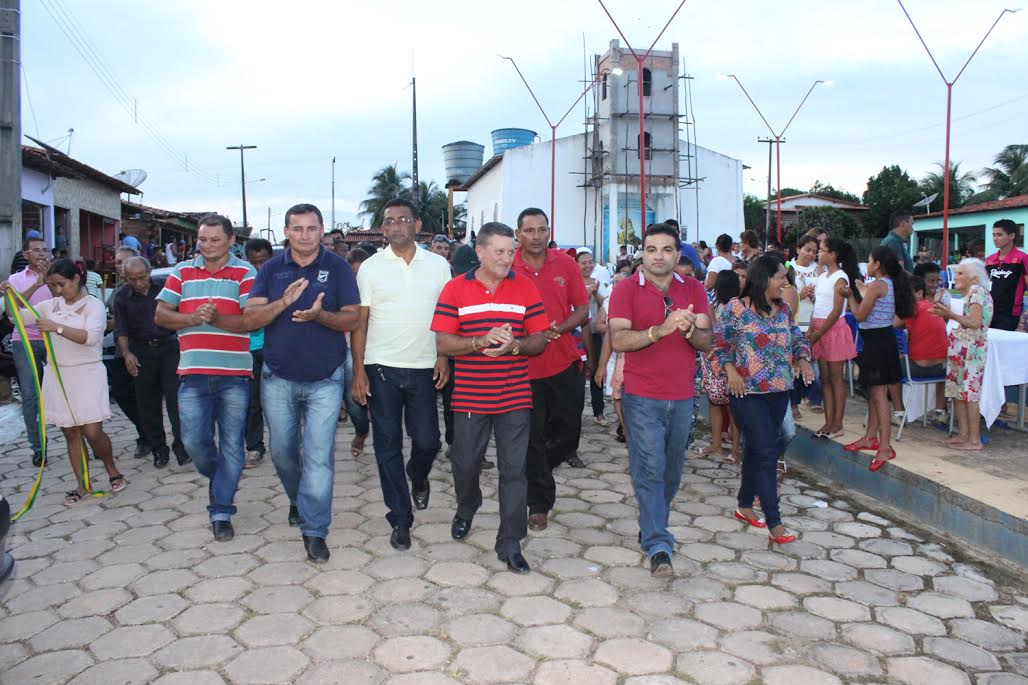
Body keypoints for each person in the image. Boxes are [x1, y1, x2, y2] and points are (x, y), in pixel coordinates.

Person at [431, 221, 549, 574]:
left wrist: (515, 346)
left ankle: (510, 542)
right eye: (499, 251)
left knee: (514, 471)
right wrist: (479, 341)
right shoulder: (455, 289)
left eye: (511, 251)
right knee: (465, 464)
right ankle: (467, 506)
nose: (507, 258)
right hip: (469, 396)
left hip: (514, 396)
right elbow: (442, 343)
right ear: (479, 251)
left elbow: (540, 338)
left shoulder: (525, 287)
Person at [244, 203, 359, 562]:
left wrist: (320, 315)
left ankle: (315, 530)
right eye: (298, 228)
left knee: (319, 457)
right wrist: (283, 303)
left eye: (312, 228)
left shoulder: (338, 268)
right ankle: (298, 498)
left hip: (326, 378)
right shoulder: (271, 269)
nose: (305, 235)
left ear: (322, 231)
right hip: (278, 377)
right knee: (281, 451)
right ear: (286, 232)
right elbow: (251, 318)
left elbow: (352, 319)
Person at [608, 223, 713, 577]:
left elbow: (706, 341)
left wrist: (690, 330)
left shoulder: (693, 288)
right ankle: (658, 544)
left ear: (677, 254)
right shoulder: (625, 290)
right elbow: (620, 340)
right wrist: (661, 329)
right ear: (643, 253)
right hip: (641, 396)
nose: (658, 256)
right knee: (649, 468)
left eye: (666, 250)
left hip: (682, 396)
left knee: (671, 471)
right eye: (651, 249)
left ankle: (652, 522)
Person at [351, 199, 452, 551]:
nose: (396, 226)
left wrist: (443, 356)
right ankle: (400, 517)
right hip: (381, 368)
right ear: (383, 229)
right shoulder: (370, 269)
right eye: (389, 221)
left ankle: (418, 475)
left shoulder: (439, 266)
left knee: (428, 442)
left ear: (417, 224)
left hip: (425, 367)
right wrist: (358, 371)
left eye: (403, 220)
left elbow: (447, 317)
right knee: (386, 445)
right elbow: (359, 324)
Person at [155, 214, 256, 544]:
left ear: (230, 240)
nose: (208, 245)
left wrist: (218, 318)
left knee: (232, 446)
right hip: (193, 374)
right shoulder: (182, 272)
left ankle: (221, 510)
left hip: (234, 375)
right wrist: (191, 317)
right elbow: (161, 315)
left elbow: (250, 322)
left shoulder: (245, 272)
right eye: (202, 240)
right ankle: (223, 478)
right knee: (193, 442)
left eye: (215, 239)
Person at [718, 255, 813, 546]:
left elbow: (798, 338)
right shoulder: (735, 308)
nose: (785, 282)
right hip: (745, 392)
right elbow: (719, 343)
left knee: (757, 449)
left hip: (778, 391)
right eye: (780, 277)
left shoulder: (783, 309)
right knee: (767, 450)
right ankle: (775, 521)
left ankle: (745, 505)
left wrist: (803, 359)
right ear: (764, 279)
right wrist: (730, 369)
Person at [18, 260, 126, 502]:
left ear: (76, 279)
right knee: (71, 433)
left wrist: (56, 328)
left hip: (87, 373)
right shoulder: (49, 305)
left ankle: (112, 470)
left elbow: (89, 337)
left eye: (61, 284)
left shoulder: (93, 305)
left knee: (93, 430)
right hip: (58, 374)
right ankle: (82, 484)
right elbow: (16, 316)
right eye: (52, 285)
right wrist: (33, 287)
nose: (57, 290)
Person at [512, 208, 590, 532]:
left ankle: (540, 467)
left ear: (548, 231)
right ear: (518, 234)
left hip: (563, 361)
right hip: (522, 367)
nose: (535, 236)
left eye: (541, 229)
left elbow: (583, 309)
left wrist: (562, 327)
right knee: (531, 438)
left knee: (568, 434)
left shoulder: (566, 264)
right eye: (529, 230)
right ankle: (539, 502)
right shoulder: (507, 266)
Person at [113, 256, 189, 468]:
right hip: (141, 351)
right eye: (132, 279)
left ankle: (182, 447)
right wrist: (127, 354)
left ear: (149, 272)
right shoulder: (121, 297)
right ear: (125, 277)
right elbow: (121, 329)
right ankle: (158, 449)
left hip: (169, 348)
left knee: (176, 400)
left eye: (142, 277)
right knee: (148, 403)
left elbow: (182, 315)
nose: (138, 283)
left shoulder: (165, 289)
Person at [844, 247, 915, 470]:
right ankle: (870, 437)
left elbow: (859, 315)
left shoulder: (878, 285)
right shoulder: (889, 284)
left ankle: (885, 446)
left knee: (878, 394)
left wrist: (849, 297)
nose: (868, 264)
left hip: (877, 342)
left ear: (877, 265)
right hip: (882, 340)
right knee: (874, 393)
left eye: (870, 260)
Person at [931, 258, 994, 451]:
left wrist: (949, 315)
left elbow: (974, 322)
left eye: (960, 273)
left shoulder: (977, 292)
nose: (955, 277)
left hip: (971, 350)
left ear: (974, 278)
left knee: (969, 394)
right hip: (962, 348)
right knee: (959, 393)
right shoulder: (970, 294)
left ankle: (974, 440)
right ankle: (964, 434)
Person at [4, 236, 52, 466]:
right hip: (25, 340)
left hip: (55, 337)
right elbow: (15, 310)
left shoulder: (58, 274)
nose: (42, 254)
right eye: (36, 250)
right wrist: (37, 284)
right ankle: (38, 447)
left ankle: (83, 438)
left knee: (64, 388)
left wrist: (50, 280)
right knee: (31, 395)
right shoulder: (14, 279)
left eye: (45, 250)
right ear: (26, 255)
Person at [807, 237, 860, 439]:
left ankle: (838, 423)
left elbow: (837, 309)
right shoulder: (822, 276)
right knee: (825, 378)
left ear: (833, 254)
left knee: (837, 378)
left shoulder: (840, 277)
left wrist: (819, 333)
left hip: (833, 329)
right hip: (820, 327)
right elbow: (817, 306)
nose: (818, 254)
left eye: (821, 250)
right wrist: (812, 329)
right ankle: (828, 422)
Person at [104, 246, 150, 459]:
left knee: (144, 395)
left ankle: (148, 437)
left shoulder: (149, 288)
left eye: (124, 262)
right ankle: (144, 431)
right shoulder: (116, 292)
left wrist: (115, 323)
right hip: (118, 350)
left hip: (143, 348)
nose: (120, 267)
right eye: (117, 263)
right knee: (121, 393)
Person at [698, 270, 741, 463]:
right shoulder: (717, 306)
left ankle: (733, 448)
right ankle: (720, 444)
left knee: (729, 406)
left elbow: (717, 332)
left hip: (724, 361)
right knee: (717, 403)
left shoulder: (736, 308)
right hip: (718, 359)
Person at [894, 275, 948, 422]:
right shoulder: (935, 307)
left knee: (890, 367)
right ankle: (940, 411)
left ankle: (899, 412)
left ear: (919, 293)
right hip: (943, 370)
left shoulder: (911, 307)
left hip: (918, 368)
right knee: (942, 362)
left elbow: (894, 324)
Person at [242, 238, 274, 469]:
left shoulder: (279, 281)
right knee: (252, 402)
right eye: (254, 262)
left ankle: (287, 444)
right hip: (248, 350)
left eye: (262, 262)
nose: (258, 268)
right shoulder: (242, 283)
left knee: (279, 401)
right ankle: (255, 447)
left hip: (275, 348)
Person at [576, 248, 610, 428]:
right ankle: (574, 410)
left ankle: (599, 411)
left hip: (594, 332)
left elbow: (605, 302)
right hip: (576, 334)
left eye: (590, 262)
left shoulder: (597, 282)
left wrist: (595, 292)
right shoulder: (572, 283)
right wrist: (585, 293)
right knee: (577, 373)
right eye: (583, 262)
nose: (588, 265)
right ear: (576, 265)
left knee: (597, 370)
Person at [343, 248, 372, 456]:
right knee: (354, 401)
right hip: (349, 351)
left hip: (379, 350)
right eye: (356, 275)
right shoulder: (345, 291)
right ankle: (361, 431)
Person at [985, 219, 1028, 331]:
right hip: (989, 312)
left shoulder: (1022, 258)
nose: (995, 238)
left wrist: (1026, 314)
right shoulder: (989, 260)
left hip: (1011, 315)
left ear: (1012, 235)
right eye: (993, 235)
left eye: (999, 235)